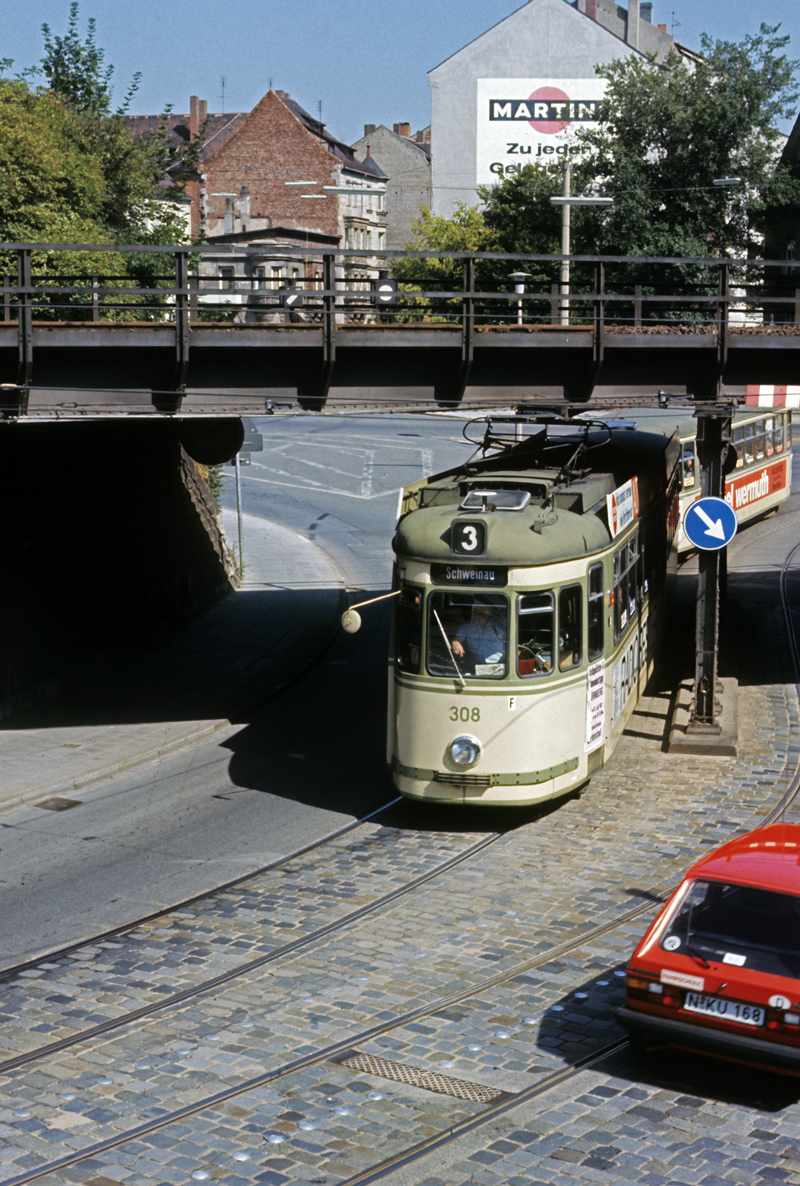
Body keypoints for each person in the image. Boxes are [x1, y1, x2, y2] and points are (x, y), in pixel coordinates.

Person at [452, 603, 507, 668]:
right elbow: (458, 639)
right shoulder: (467, 626)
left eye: (485, 607)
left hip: (500, 665)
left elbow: (511, 641)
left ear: (491, 609)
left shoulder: (501, 624)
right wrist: (456, 643)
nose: (482, 611)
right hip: (475, 665)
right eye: (480, 607)